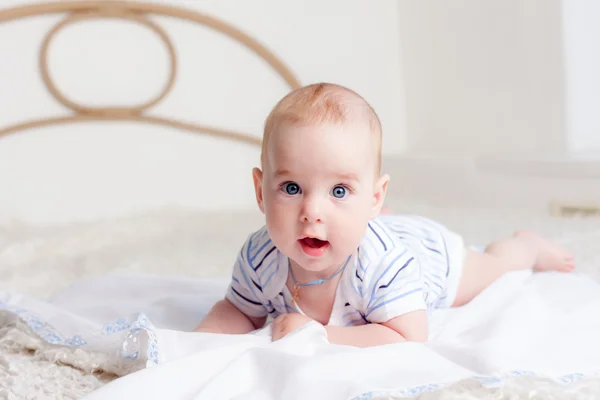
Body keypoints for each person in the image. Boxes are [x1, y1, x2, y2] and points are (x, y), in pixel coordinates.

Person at [194, 82, 574, 347]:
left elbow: (407, 336)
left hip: (430, 257)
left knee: (493, 267)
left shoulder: (385, 264)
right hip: (373, 227)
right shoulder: (259, 257)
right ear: (261, 192)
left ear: (374, 197)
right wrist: (191, 344)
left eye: (339, 191)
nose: (312, 212)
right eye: (292, 188)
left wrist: (320, 333)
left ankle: (526, 246)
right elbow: (237, 311)